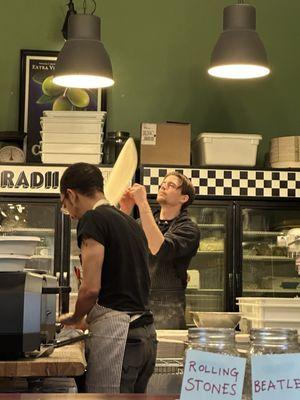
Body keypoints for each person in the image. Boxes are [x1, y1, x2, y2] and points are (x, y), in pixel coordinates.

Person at [59, 162, 157, 393]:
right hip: (146, 336)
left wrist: (75, 317)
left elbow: (90, 289)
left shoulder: (92, 220)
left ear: (71, 195)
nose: (71, 216)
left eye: (65, 206)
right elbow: (123, 286)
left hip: (121, 338)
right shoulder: (131, 224)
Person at [120, 171, 200, 329]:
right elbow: (118, 247)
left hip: (167, 307)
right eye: (163, 183)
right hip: (137, 302)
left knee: (164, 352)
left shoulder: (188, 229)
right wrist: (124, 211)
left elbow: (161, 249)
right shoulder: (140, 223)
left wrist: (143, 203)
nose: (163, 186)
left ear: (183, 198)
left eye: (171, 185)